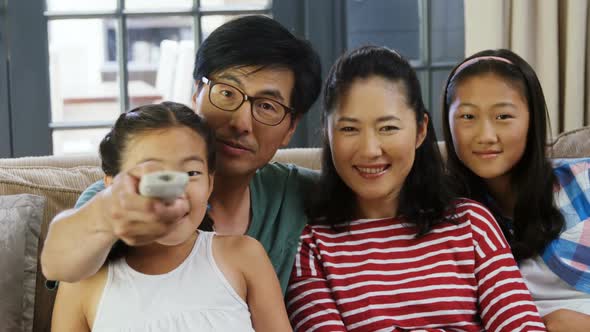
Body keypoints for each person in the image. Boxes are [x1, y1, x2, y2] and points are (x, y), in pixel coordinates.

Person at [40, 15, 322, 293]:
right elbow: (57, 263)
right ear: (196, 92)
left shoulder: (297, 193)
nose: (241, 123)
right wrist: (104, 215)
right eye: (226, 93)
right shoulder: (131, 194)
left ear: (290, 129)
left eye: (267, 106)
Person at [286, 46, 545, 331]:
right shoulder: (310, 246)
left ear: (421, 130)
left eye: (388, 128)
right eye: (349, 129)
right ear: (326, 131)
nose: (370, 150)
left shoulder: (471, 224)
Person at [51, 102, 291, 331]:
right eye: (153, 173)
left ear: (210, 183)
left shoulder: (244, 255)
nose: (173, 190)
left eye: (191, 172)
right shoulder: (82, 280)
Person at [442, 49, 590, 331]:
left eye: (503, 116)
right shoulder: (444, 215)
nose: (486, 135)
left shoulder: (583, 183)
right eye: (468, 116)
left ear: (531, 120)